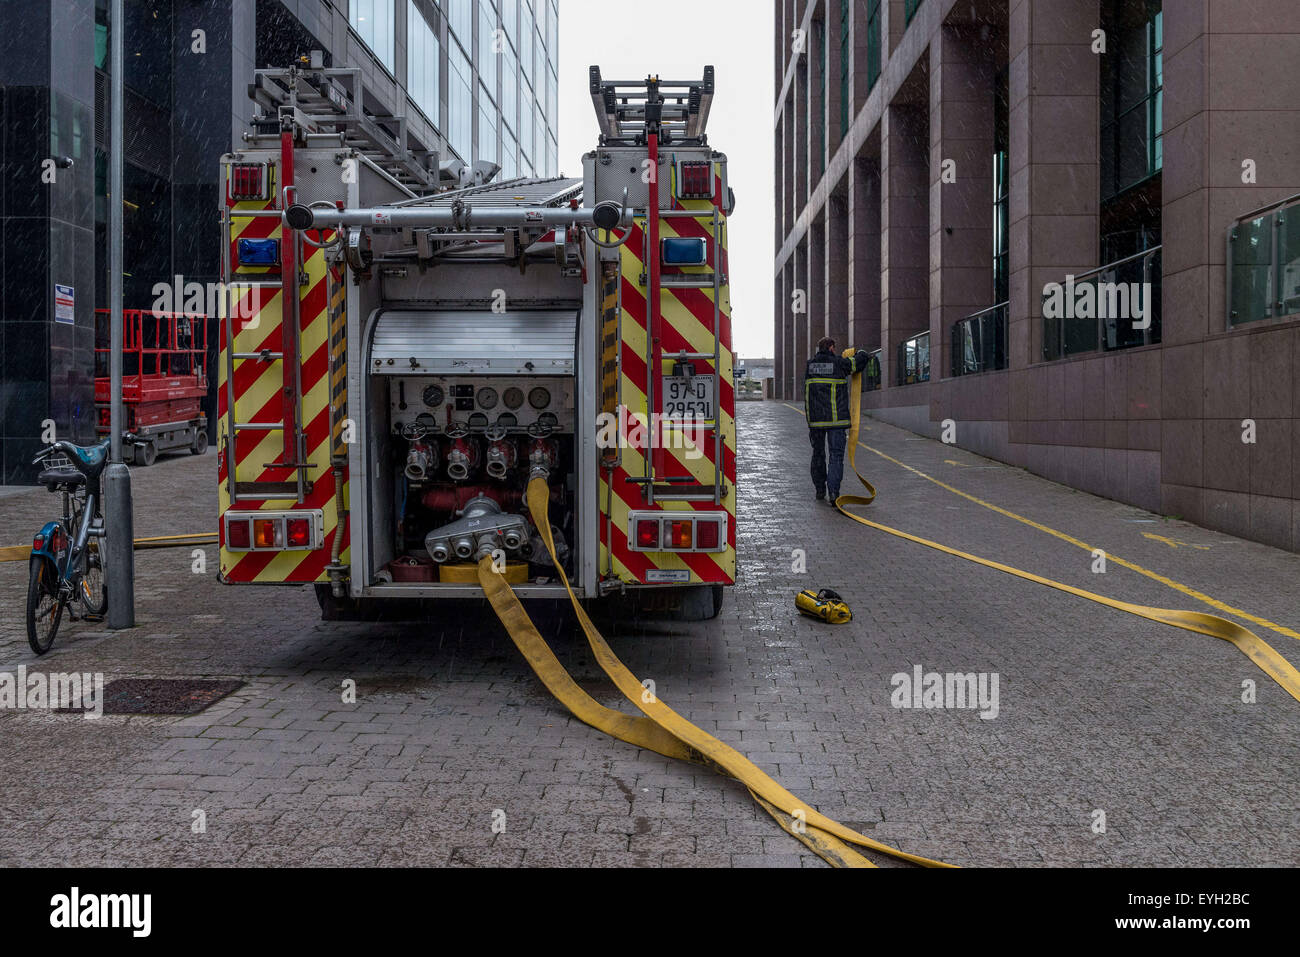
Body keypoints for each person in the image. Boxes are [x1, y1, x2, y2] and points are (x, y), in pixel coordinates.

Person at [803, 335, 870, 503]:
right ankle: (834, 493)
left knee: (818, 455)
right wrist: (862, 352)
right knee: (836, 456)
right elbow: (858, 363)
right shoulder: (839, 364)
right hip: (836, 421)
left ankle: (820, 490)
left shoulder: (810, 366)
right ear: (832, 347)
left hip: (816, 421)